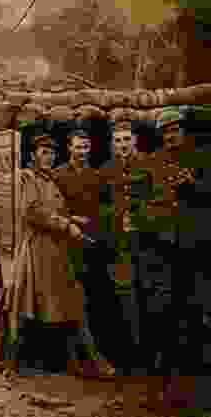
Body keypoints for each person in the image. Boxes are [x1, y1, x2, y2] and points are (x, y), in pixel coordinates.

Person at [3, 134, 87, 377]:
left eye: (51, 153)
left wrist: (71, 219)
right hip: (35, 251)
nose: (48, 157)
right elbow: (33, 212)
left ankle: (65, 362)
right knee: (28, 305)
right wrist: (66, 225)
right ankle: (12, 363)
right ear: (33, 155)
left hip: (55, 252)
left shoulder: (50, 182)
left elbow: (52, 210)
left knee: (60, 305)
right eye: (43, 152)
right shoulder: (29, 179)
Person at [134, 107, 198, 411]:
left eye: (177, 130)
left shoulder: (200, 160)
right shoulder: (150, 164)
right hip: (157, 254)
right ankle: (155, 388)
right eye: (167, 131)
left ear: (185, 131)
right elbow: (137, 207)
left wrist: (194, 187)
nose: (172, 135)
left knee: (190, 320)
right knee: (158, 318)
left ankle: (185, 389)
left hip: (192, 254)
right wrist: (156, 218)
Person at [52, 129, 116, 378]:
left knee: (94, 302)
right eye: (77, 147)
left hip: (93, 247)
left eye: (85, 147)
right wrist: (70, 220)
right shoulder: (57, 175)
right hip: (67, 246)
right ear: (69, 148)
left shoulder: (96, 175)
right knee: (71, 302)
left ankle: (89, 358)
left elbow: (105, 208)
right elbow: (52, 209)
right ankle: (72, 359)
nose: (81, 152)